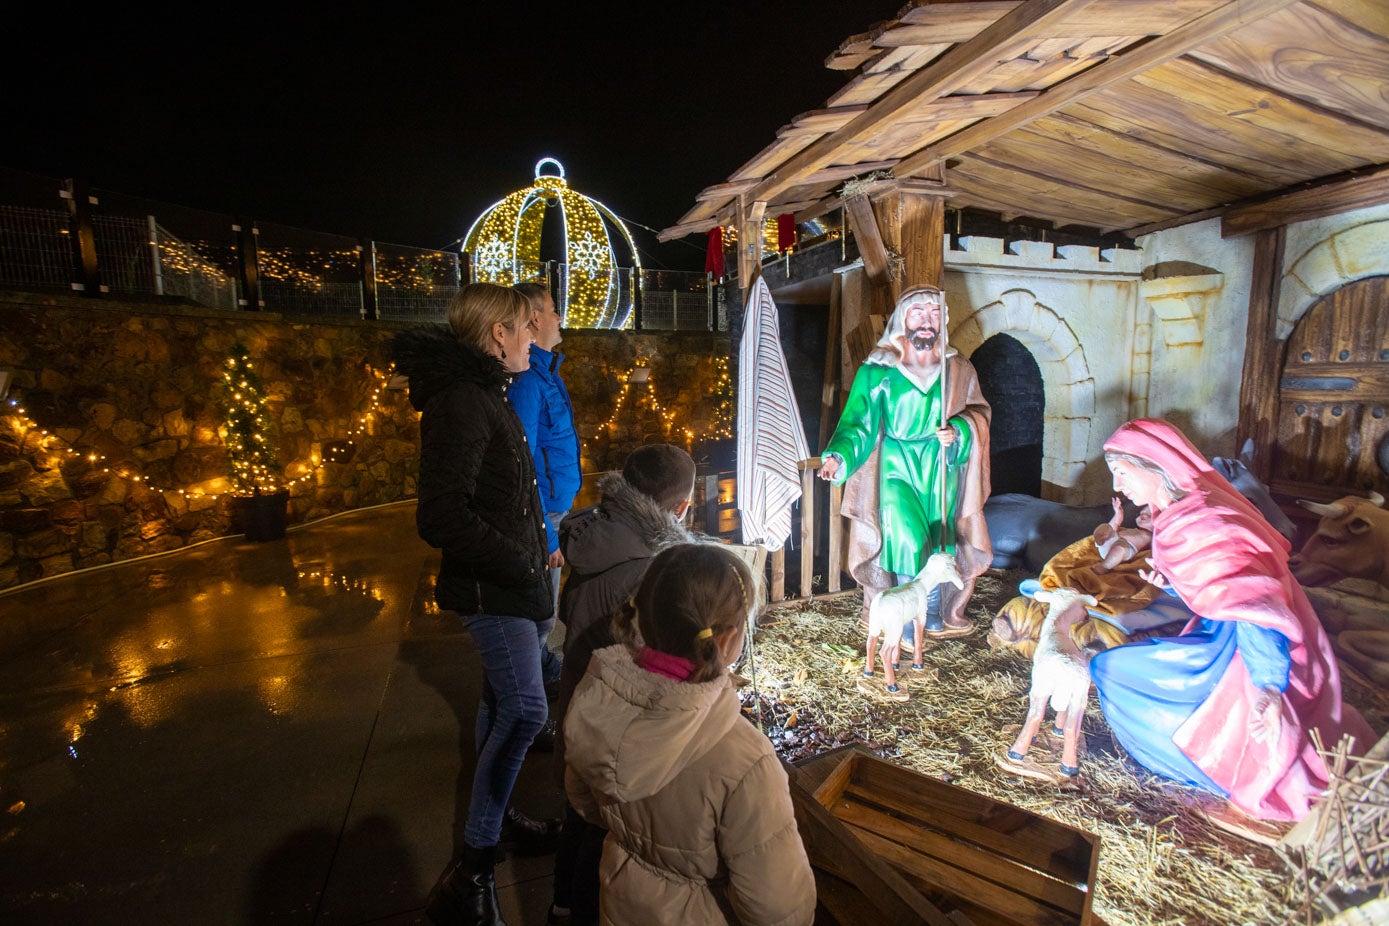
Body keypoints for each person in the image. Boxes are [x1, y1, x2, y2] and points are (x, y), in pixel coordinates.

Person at [1091, 418, 1376, 827]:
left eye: (1122, 473)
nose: (1118, 487)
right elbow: (1222, 594)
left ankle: (1213, 772)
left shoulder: (1205, 522)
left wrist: (1268, 688)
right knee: (1119, 664)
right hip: (1227, 635)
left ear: (1154, 465)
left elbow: (1256, 610)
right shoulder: (1180, 513)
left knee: (1115, 672)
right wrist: (1173, 586)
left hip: (1256, 652)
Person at [391, 282, 554, 926]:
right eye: (524, 328)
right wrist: (518, 561)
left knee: (499, 702)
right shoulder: (463, 402)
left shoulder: (488, 394)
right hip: (493, 590)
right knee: (525, 708)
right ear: (498, 336)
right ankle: (475, 867)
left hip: (510, 584)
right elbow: (441, 515)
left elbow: (507, 494)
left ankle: (498, 818)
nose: (532, 338)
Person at [564, 543, 816, 926]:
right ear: (729, 639)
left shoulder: (595, 702)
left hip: (622, 902)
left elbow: (584, 801)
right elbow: (777, 909)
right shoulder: (747, 762)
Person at [547, 443, 697, 926]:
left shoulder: (599, 535)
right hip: (615, 722)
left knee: (578, 816)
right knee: (602, 831)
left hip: (577, 703)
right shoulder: (648, 567)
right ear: (681, 508)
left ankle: (561, 905)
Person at [818, 285, 992, 640]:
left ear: (941, 320)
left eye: (933, 314)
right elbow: (859, 422)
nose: (926, 322)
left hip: (941, 467)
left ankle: (931, 613)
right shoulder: (877, 370)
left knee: (939, 540)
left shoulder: (958, 368)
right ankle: (906, 618)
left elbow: (979, 413)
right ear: (903, 319)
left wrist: (959, 431)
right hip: (896, 467)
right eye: (918, 313)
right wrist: (838, 456)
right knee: (906, 539)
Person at [508, 280, 580, 623]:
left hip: (553, 510)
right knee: (541, 616)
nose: (559, 316)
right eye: (553, 309)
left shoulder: (547, 373)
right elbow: (520, 462)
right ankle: (531, 673)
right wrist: (546, 534)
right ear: (535, 318)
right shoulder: (529, 381)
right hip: (543, 515)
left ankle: (540, 666)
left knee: (544, 610)